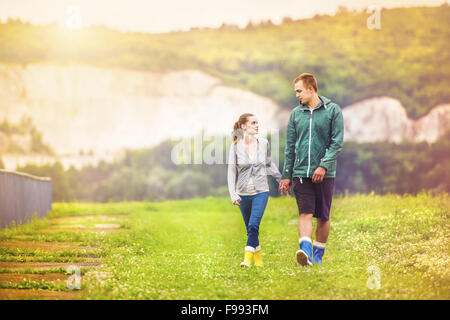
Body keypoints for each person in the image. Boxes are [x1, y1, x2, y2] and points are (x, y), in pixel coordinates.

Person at [279, 73, 344, 266]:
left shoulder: (333, 110)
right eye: (295, 92)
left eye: (299, 91)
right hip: (300, 173)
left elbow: (337, 143)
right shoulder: (296, 114)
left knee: (323, 217)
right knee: (305, 213)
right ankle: (305, 253)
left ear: (310, 88)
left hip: (325, 173)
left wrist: (323, 165)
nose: (297, 95)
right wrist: (286, 175)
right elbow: (290, 146)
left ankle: (317, 258)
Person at [227, 113, 282, 268]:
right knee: (250, 229)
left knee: (253, 225)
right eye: (253, 123)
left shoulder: (264, 143)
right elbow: (231, 171)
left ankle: (247, 259)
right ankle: (259, 262)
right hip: (243, 193)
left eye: (257, 122)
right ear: (243, 126)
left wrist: (281, 179)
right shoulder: (235, 146)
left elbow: (270, 164)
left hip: (261, 191)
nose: (257, 125)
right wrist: (233, 194)